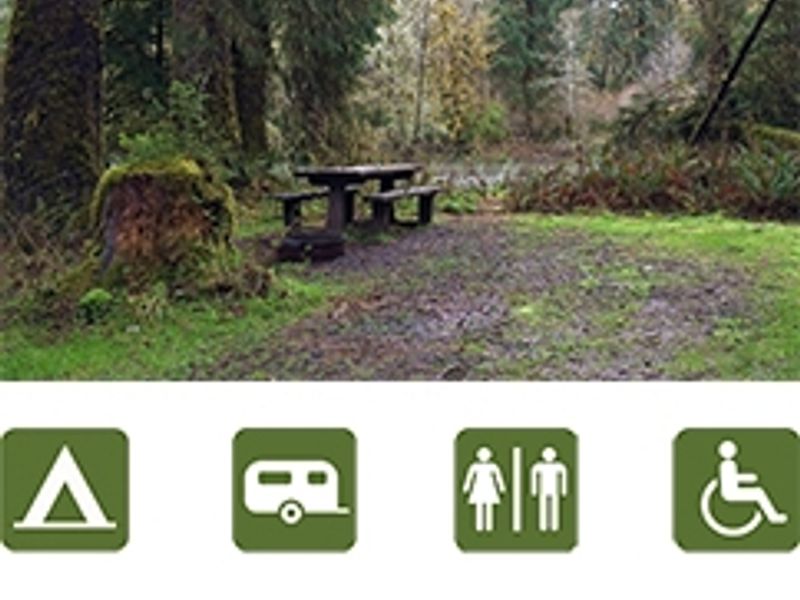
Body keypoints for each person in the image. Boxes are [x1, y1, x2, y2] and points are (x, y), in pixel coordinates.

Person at [717, 440, 788, 525]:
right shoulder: (728, 465)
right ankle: (772, 516)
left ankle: (772, 515)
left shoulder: (728, 464)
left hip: (733, 491)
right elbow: (732, 479)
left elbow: (733, 479)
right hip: (731, 493)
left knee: (759, 491)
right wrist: (749, 478)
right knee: (759, 493)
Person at [463, 447, 506, 533]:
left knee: (489, 507)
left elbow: (498, 477)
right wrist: (466, 487)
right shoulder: (474, 466)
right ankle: (479, 527)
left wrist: (501, 487)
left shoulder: (493, 466)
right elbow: (469, 477)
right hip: (478, 488)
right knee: (479, 507)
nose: (484, 457)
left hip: (489, 488)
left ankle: (489, 526)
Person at [531, 447, 568, 533]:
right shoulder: (538, 466)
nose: (549, 457)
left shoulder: (559, 466)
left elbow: (564, 479)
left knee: (555, 507)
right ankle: (542, 526)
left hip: (554, 490)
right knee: (542, 507)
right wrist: (534, 490)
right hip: (542, 490)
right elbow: (534, 478)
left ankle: (555, 526)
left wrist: (563, 490)